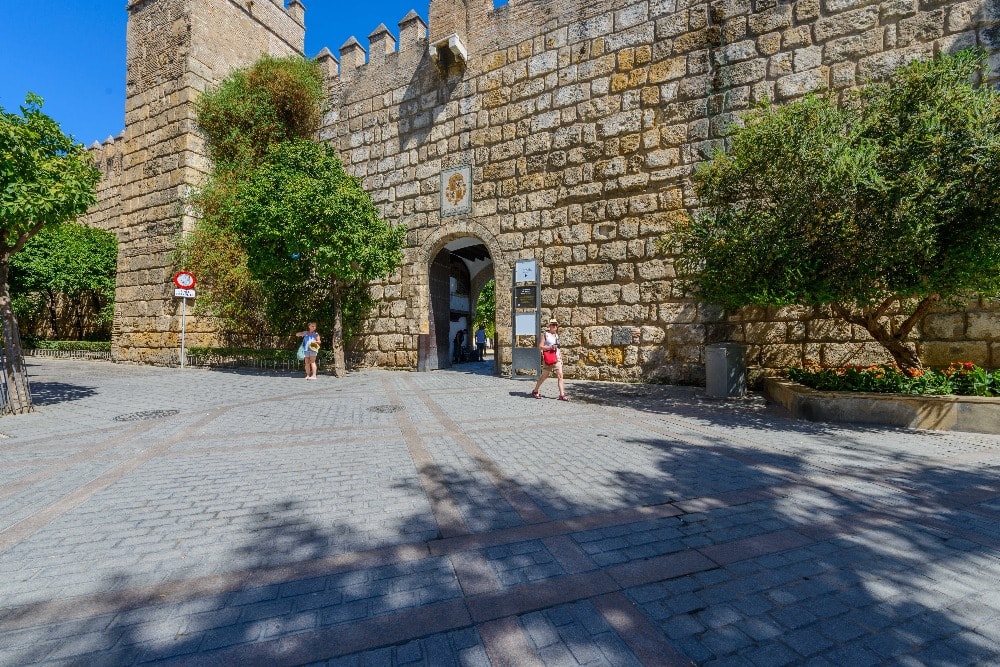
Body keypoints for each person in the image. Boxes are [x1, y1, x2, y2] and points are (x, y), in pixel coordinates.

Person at [532, 318, 568, 400]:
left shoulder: (556, 335)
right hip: (548, 358)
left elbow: (558, 348)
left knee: (560, 375)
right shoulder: (545, 335)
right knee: (545, 376)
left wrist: (561, 358)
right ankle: (535, 390)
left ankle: (562, 394)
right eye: (553, 325)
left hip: (557, 358)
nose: (555, 326)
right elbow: (540, 347)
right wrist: (550, 347)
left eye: (556, 325)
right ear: (550, 326)